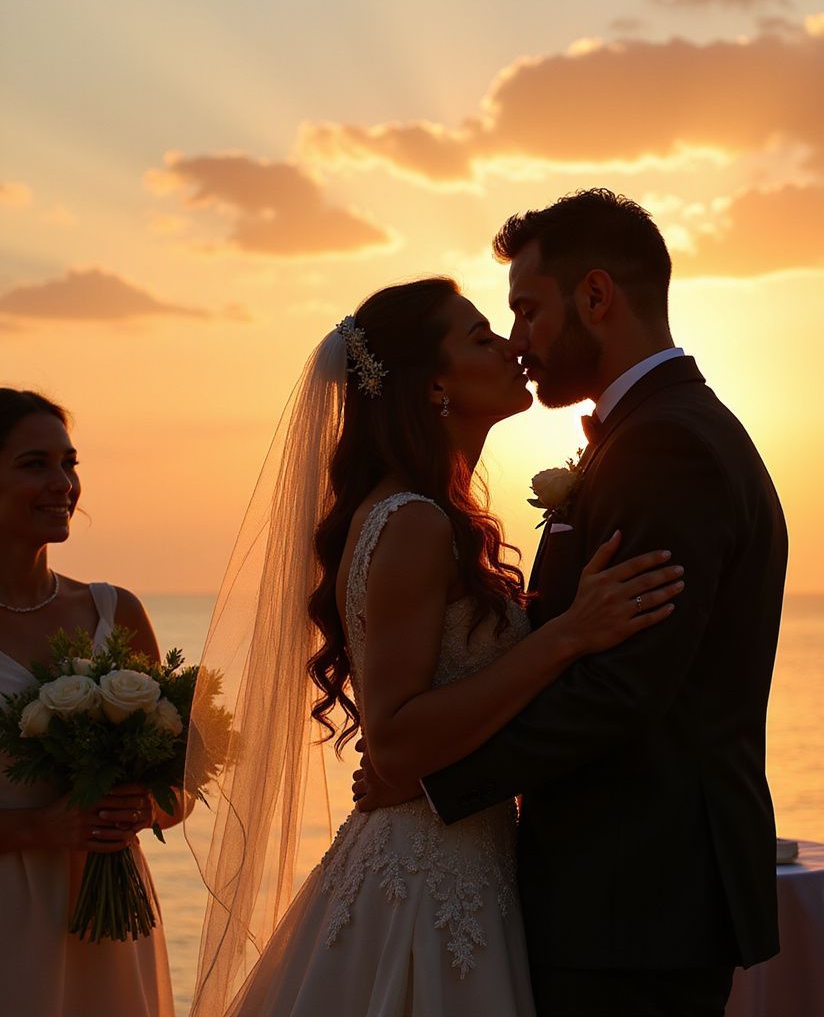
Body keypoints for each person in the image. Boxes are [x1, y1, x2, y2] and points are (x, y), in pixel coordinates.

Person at [185, 277, 684, 1017]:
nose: (512, 347)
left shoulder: (424, 513)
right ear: (434, 386)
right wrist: (567, 636)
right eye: (482, 337)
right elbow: (395, 742)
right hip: (426, 882)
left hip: (461, 858)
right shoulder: (413, 522)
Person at [357, 189, 789, 1017]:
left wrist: (436, 780)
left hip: (635, 901)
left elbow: (622, 686)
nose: (517, 340)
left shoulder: (668, 445)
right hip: (616, 903)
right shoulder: (648, 433)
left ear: (596, 296)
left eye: (527, 310)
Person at [0, 388, 176, 1016]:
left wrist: (143, 806)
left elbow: (179, 783)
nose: (63, 483)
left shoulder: (114, 610)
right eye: (35, 464)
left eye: (69, 463)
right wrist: (39, 828)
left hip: (112, 921)